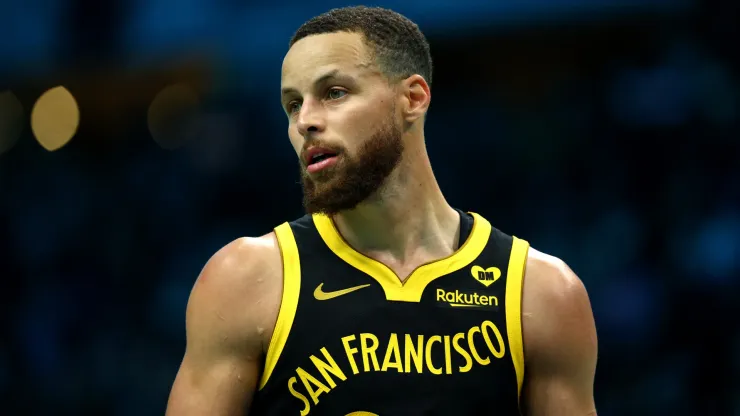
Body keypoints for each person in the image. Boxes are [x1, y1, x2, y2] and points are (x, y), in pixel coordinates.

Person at [165, 6, 598, 416]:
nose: (305, 122)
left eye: (333, 93)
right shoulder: (244, 280)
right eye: (293, 104)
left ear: (412, 98)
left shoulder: (540, 293)